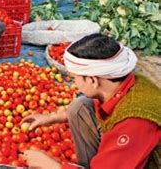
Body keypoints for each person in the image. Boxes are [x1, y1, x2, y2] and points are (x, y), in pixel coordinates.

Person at [21, 33, 161, 169]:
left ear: (92, 80)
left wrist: (52, 166)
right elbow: (94, 107)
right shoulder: (126, 83)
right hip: (132, 150)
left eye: (75, 78)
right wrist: (53, 117)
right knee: (80, 106)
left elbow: (131, 127)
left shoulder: (134, 121)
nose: (75, 84)